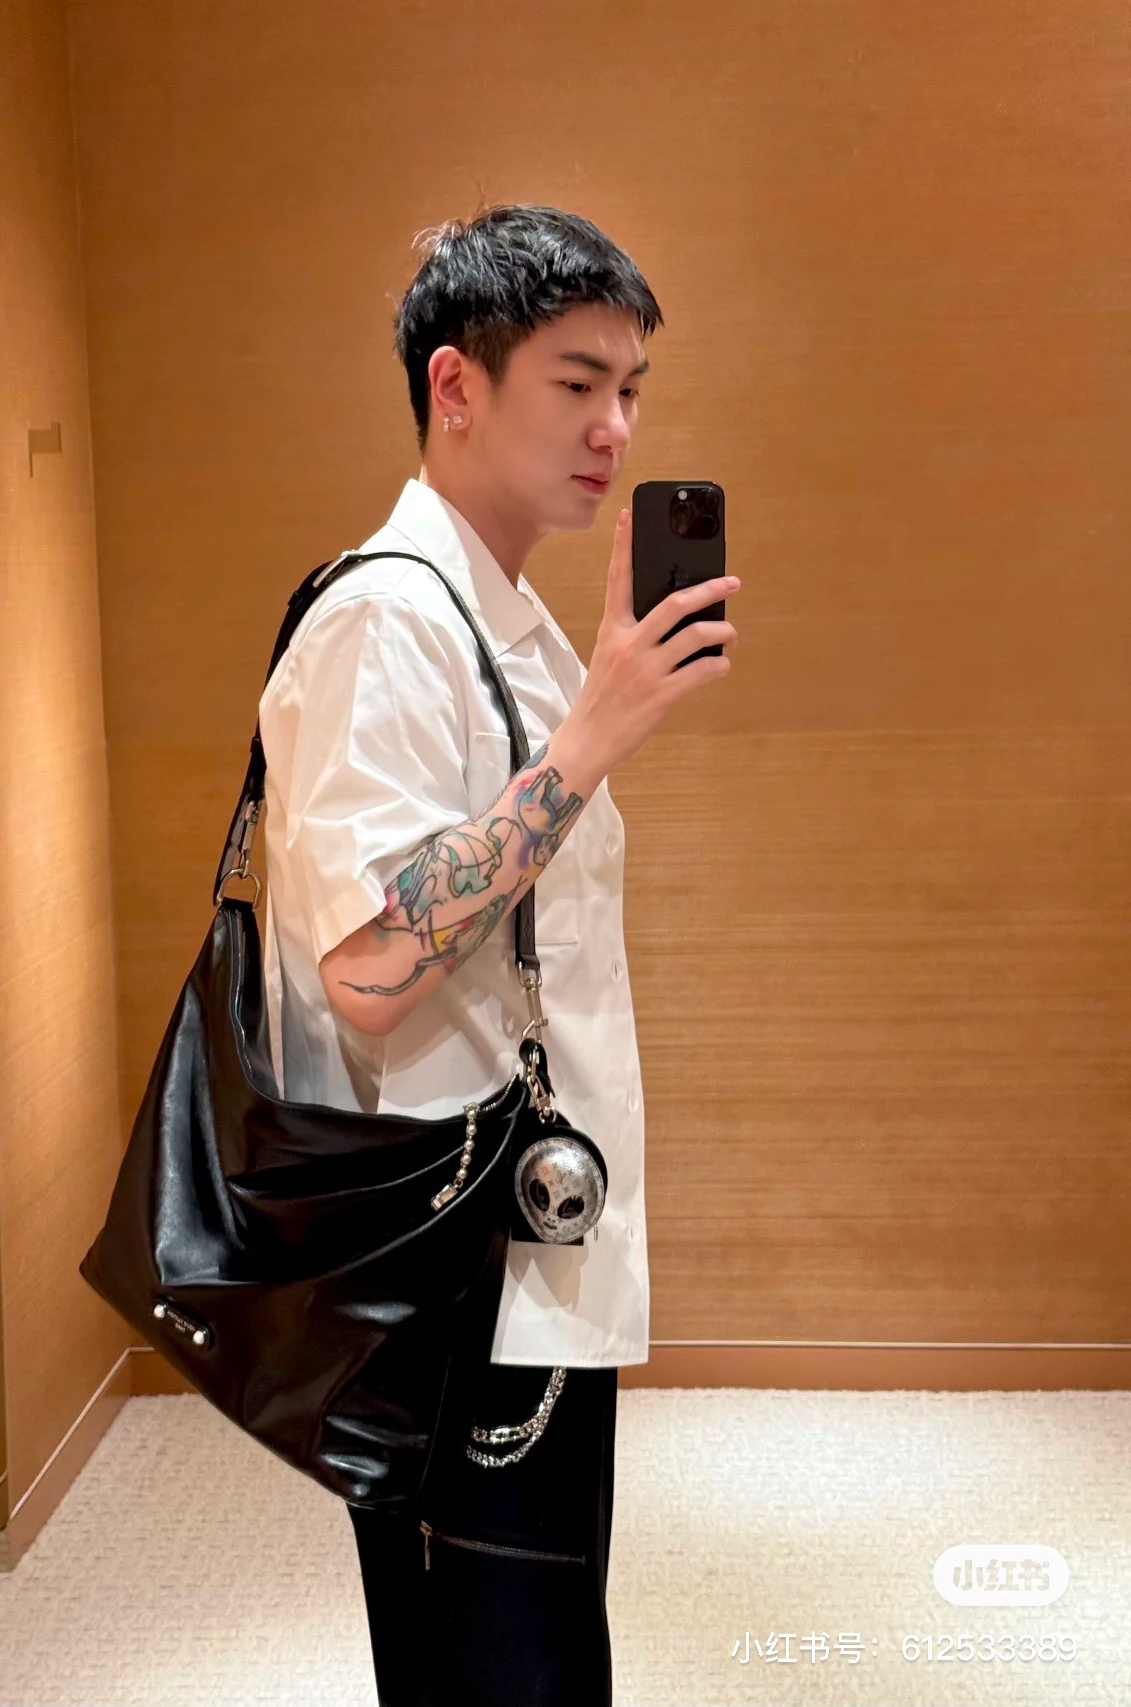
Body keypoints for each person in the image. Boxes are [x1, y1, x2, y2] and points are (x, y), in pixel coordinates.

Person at [257, 203, 739, 1707]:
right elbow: (368, 969)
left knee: (532, 1649)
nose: (616, 428)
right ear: (456, 385)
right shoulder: (386, 625)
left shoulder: (498, 618)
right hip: (449, 1258)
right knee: (492, 1667)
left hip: (512, 1234)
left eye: (632, 388)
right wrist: (590, 741)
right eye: (578, 382)